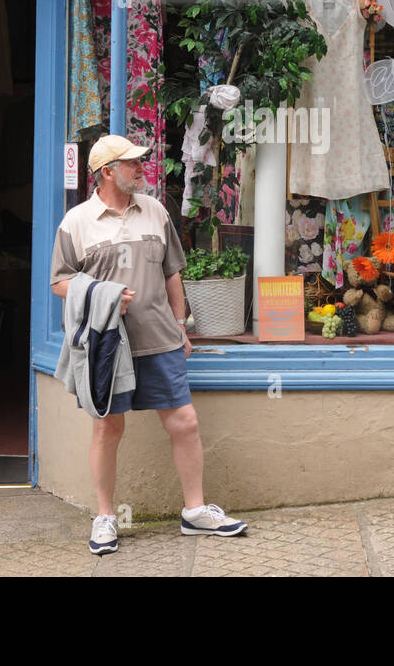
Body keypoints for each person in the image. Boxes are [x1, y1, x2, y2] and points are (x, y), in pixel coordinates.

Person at [50, 134, 248, 555]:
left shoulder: (156, 211)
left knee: (185, 423)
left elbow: (174, 271)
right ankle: (105, 517)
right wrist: (102, 293)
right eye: (132, 164)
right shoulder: (76, 222)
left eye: (141, 162)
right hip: (107, 344)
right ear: (107, 172)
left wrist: (181, 325)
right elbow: (60, 282)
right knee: (107, 427)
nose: (142, 169)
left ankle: (194, 512)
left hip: (159, 338)